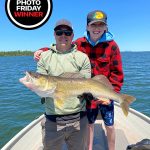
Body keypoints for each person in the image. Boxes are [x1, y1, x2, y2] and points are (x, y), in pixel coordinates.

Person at [34, 10, 124, 150]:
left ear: (106, 27)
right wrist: (41, 50)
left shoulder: (112, 46)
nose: (97, 28)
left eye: (101, 25)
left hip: (104, 89)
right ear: (87, 27)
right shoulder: (79, 42)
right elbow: (63, 46)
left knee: (110, 125)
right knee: (90, 123)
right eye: (93, 25)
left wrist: (113, 93)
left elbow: (117, 73)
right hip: (85, 90)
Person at [36, 19, 91, 150]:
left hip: (79, 118)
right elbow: (41, 86)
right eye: (59, 32)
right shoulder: (44, 57)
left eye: (67, 32)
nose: (63, 35)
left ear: (72, 35)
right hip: (52, 120)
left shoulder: (82, 58)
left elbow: (85, 83)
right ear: (54, 34)